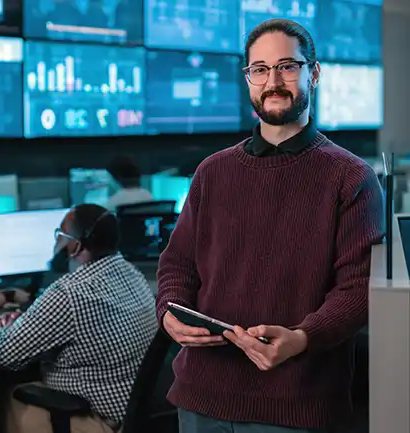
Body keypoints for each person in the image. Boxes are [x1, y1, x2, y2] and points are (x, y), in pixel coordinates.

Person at [154, 19, 383, 433]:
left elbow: (358, 287)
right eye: (259, 69)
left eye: (287, 67)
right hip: (201, 399)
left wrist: (302, 337)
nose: (272, 81)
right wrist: (168, 311)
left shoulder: (351, 177)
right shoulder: (212, 172)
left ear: (313, 73)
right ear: (248, 79)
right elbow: (178, 264)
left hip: (296, 405)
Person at [0, 204, 158, 433]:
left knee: (3, 394)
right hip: (130, 412)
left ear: (76, 245)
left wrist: (4, 329)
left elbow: (3, 354)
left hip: (93, 416)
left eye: (60, 235)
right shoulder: (133, 274)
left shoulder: (70, 294)